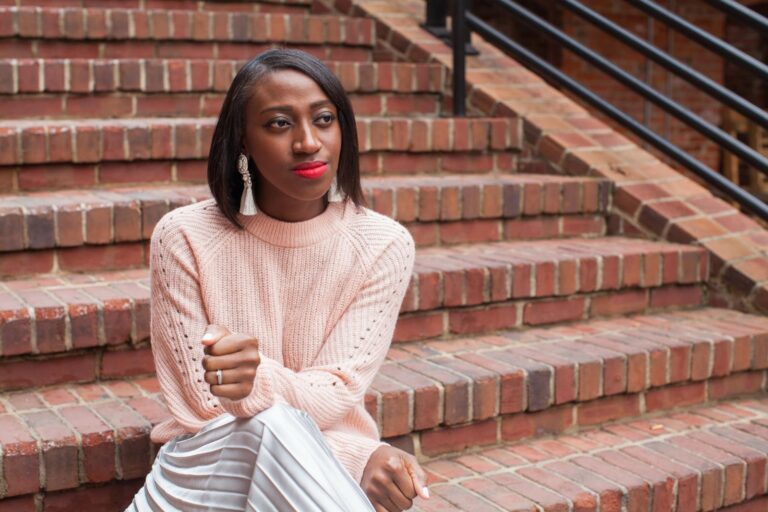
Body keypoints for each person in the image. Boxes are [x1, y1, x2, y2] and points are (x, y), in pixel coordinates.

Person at [126, 49, 428, 512]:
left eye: (324, 119)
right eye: (279, 124)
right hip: (203, 473)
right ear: (243, 141)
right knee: (272, 425)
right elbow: (204, 405)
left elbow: (338, 389)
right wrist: (356, 456)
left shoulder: (383, 245)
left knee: (280, 426)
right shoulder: (184, 237)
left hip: (301, 477)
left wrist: (257, 379)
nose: (308, 142)